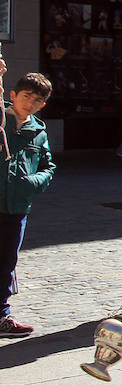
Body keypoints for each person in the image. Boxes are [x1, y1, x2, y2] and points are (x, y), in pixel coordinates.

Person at [0, 71, 55, 336]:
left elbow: (48, 167)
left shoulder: (38, 132)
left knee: (7, 262)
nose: (29, 103)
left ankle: (2, 314)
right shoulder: (1, 121)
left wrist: (33, 183)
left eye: (36, 100)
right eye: (26, 97)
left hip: (17, 207)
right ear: (13, 96)